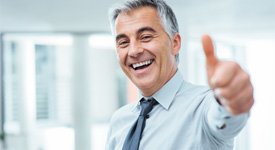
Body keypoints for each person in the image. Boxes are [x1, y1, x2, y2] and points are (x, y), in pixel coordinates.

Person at [106, 0, 254, 149]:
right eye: (123, 42)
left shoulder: (203, 106)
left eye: (145, 37)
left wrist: (231, 101)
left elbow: (225, 118)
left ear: (175, 43)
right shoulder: (119, 120)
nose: (133, 51)